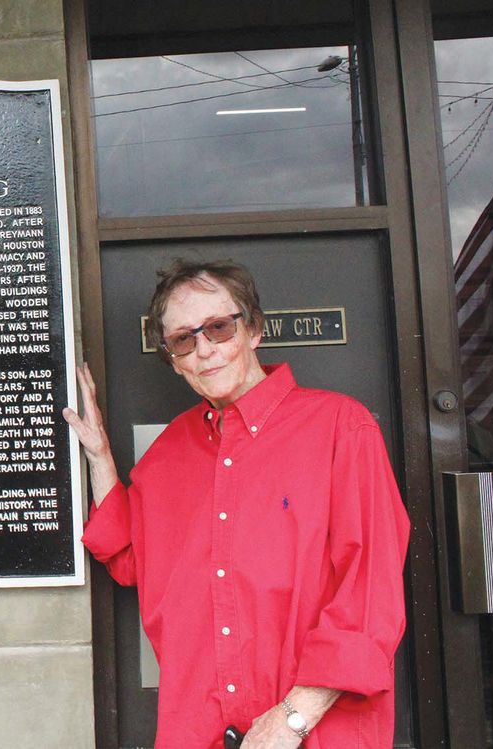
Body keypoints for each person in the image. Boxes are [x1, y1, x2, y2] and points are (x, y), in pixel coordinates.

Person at [64, 259, 409, 748]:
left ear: (255, 331)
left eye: (219, 328)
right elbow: (129, 558)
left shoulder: (340, 427)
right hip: (198, 729)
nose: (205, 350)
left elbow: (370, 592)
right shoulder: (169, 453)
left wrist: (293, 717)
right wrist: (99, 457)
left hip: (314, 731)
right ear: (173, 357)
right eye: (184, 339)